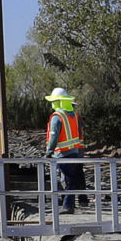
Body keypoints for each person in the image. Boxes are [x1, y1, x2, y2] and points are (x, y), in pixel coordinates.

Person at [46, 86, 85, 216]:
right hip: (74, 151)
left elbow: (53, 136)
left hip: (62, 153)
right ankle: (71, 204)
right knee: (72, 179)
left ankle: (68, 206)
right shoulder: (73, 116)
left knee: (68, 180)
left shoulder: (57, 117)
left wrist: (48, 151)